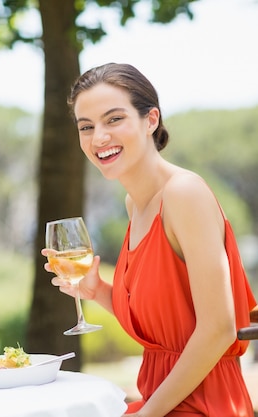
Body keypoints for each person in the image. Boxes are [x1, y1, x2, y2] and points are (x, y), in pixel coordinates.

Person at [42, 63, 256, 416]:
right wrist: (99, 292)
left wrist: (146, 413)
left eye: (114, 120)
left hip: (204, 404)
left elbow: (218, 330)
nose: (98, 138)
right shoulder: (136, 204)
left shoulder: (184, 193)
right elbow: (165, 331)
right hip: (161, 398)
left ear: (150, 119)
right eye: (86, 127)